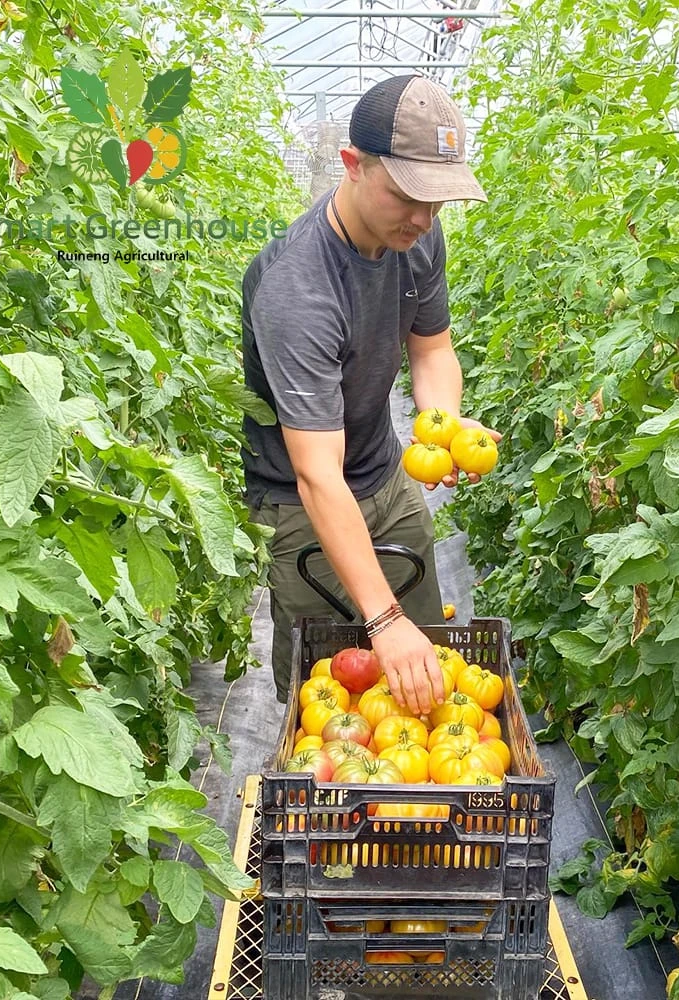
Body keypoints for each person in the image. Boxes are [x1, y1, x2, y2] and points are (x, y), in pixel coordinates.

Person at [241, 74, 499, 716]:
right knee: (331, 698)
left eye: (436, 201)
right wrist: (383, 620)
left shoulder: (417, 237)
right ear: (352, 166)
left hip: (386, 476)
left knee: (428, 670)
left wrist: (442, 428)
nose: (423, 216)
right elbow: (316, 473)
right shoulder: (296, 288)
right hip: (305, 502)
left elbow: (432, 349)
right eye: (406, 195)